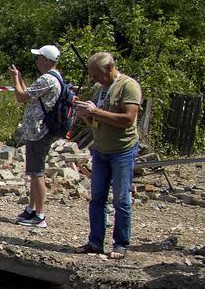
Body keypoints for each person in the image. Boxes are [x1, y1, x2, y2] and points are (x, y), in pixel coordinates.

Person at [73, 51, 142, 259]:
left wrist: (95, 112)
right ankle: (95, 242)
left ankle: (121, 244)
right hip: (101, 149)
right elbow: (96, 121)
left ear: (109, 68)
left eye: (96, 75)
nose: (94, 80)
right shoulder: (99, 89)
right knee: (97, 199)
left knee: (121, 199)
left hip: (122, 150)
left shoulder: (128, 86)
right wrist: (84, 114)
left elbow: (128, 119)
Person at [8, 44, 66, 229]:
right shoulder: (54, 78)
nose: (37, 60)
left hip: (39, 132)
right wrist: (21, 79)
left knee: (37, 172)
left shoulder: (47, 78)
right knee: (33, 172)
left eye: (39, 57)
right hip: (38, 131)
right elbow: (31, 96)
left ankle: (39, 215)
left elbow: (20, 97)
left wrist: (15, 79)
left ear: (46, 60)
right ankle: (31, 209)